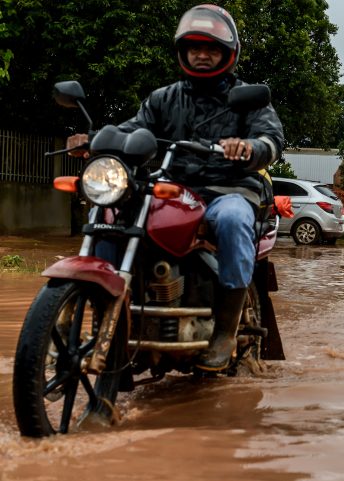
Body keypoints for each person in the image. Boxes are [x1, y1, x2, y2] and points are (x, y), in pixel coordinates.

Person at [66, 4, 285, 372]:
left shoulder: (247, 97)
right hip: (175, 188)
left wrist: (249, 147)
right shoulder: (163, 98)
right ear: (183, 51)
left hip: (229, 188)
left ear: (226, 54)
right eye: (195, 47)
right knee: (111, 209)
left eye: (211, 48)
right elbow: (132, 128)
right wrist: (93, 139)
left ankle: (225, 331)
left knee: (232, 219)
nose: (202, 55)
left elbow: (271, 139)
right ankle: (107, 315)